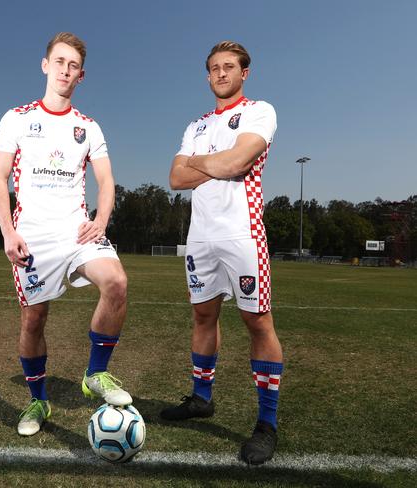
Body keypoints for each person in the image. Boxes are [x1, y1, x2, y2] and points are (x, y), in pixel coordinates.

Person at [0, 32, 132, 437]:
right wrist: (8, 232)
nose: (65, 71)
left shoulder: (88, 127)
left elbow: (106, 182)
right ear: (45, 65)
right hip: (32, 237)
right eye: (59, 62)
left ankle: (95, 375)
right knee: (33, 320)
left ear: (81, 76)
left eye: (73, 66)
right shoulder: (15, 119)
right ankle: (38, 401)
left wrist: (101, 219)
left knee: (117, 282)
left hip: (77, 231)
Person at [162, 41, 282, 465]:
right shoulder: (194, 125)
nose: (221, 73)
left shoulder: (259, 112)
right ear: (208, 75)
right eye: (214, 68)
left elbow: (237, 164)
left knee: (257, 321)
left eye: (229, 67)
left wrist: (201, 163)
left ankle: (266, 422)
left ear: (244, 73)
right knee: (202, 315)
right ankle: (201, 397)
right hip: (201, 237)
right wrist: (217, 160)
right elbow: (176, 177)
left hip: (241, 234)